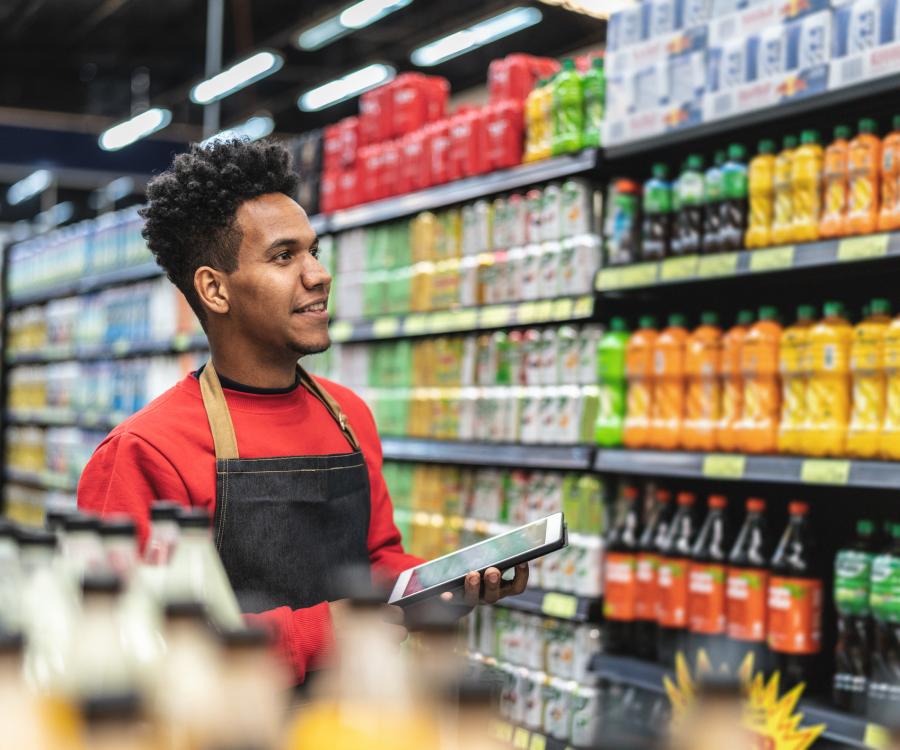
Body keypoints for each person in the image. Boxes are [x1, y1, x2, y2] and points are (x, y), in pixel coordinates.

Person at [77, 139, 528, 683]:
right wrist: (322, 631)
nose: (319, 274)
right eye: (284, 256)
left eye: (313, 251)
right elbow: (129, 642)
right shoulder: (145, 451)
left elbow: (377, 561)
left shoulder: (348, 415)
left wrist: (447, 583)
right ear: (214, 290)